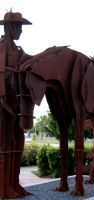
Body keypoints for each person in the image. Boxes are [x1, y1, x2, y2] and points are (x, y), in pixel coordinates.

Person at [0, 11, 32, 199]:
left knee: (17, 142)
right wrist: (2, 99)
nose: (21, 30)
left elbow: (30, 61)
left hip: (16, 104)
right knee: (4, 145)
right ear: (9, 27)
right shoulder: (2, 47)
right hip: (4, 105)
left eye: (21, 26)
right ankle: (3, 189)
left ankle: (14, 183)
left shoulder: (18, 50)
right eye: (18, 26)